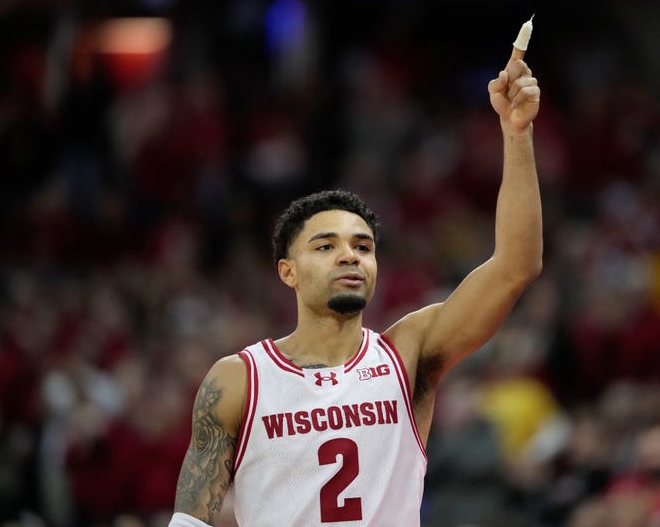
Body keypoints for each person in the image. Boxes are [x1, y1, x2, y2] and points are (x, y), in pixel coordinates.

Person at [168, 43, 542, 527]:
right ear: (288, 271)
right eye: (325, 246)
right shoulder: (239, 379)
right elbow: (191, 521)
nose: (350, 255)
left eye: (363, 246)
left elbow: (515, 266)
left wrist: (516, 132)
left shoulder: (408, 353)